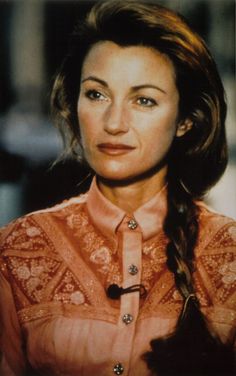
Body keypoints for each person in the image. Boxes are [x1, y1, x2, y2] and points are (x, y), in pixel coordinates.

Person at [0, 1, 235, 375]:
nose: (113, 122)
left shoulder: (230, 256)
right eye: (96, 94)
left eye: (144, 100)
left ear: (186, 121)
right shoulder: (15, 250)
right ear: (72, 102)